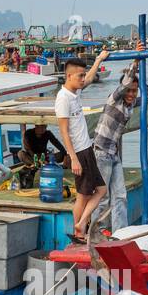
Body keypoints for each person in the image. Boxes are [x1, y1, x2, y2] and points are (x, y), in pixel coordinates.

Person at [89, 42, 148, 234]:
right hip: (101, 152)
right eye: (129, 91)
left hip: (113, 153)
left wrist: (140, 80)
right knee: (103, 197)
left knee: (121, 196)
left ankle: (119, 235)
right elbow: (125, 83)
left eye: (134, 91)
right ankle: (95, 233)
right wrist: (136, 60)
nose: (131, 94)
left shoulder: (131, 104)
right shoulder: (114, 98)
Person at [54, 55, 106, 242]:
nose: (83, 80)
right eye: (80, 76)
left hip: (87, 149)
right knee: (83, 196)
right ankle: (79, 232)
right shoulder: (63, 99)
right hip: (79, 153)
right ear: (69, 76)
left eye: (83, 75)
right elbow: (64, 132)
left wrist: (99, 60)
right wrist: (73, 158)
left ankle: (81, 223)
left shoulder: (75, 93)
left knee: (101, 190)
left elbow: (91, 77)